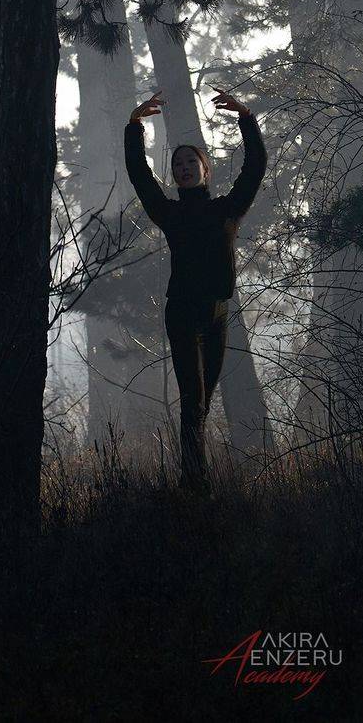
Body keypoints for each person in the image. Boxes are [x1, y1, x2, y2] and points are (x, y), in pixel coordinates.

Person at [124, 86, 267, 492]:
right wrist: (134, 127)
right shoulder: (169, 213)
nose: (184, 167)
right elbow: (140, 177)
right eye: (178, 164)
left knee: (202, 404)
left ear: (205, 168)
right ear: (175, 175)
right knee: (193, 401)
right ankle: (194, 484)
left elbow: (255, 166)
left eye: (191, 161)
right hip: (183, 314)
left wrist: (246, 118)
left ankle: (195, 481)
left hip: (218, 314)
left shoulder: (227, 209)